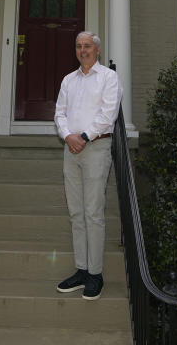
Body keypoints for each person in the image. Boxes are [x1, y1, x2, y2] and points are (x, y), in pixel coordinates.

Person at [53, 31, 121, 301]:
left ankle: (96, 274)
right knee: (76, 212)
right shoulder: (69, 80)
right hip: (71, 150)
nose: (83, 50)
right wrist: (68, 135)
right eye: (79, 46)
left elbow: (108, 115)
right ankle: (81, 270)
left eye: (88, 46)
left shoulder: (109, 78)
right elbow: (60, 112)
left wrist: (83, 137)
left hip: (96, 148)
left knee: (93, 213)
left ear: (98, 50)